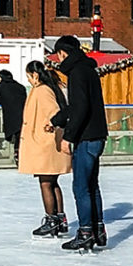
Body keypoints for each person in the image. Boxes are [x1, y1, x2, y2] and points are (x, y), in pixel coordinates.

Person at [49, 35, 109, 251]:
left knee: (81, 186)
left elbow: (80, 108)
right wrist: (56, 120)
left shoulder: (76, 72)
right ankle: (98, 230)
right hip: (97, 136)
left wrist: (68, 137)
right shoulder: (89, 71)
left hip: (86, 137)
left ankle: (85, 231)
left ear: (64, 53)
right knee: (92, 186)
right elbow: (78, 106)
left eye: (59, 55)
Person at [19, 61, 71, 238]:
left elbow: (54, 112)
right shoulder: (48, 88)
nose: (28, 80)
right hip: (47, 142)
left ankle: (52, 219)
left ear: (35, 75)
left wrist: (50, 123)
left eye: (28, 76)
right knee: (52, 181)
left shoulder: (42, 90)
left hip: (45, 143)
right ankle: (59, 218)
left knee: (46, 182)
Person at [0, 69, 27, 165]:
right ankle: (21, 156)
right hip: (23, 115)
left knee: (13, 135)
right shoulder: (20, 87)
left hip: (9, 116)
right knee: (20, 136)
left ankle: (16, 157)